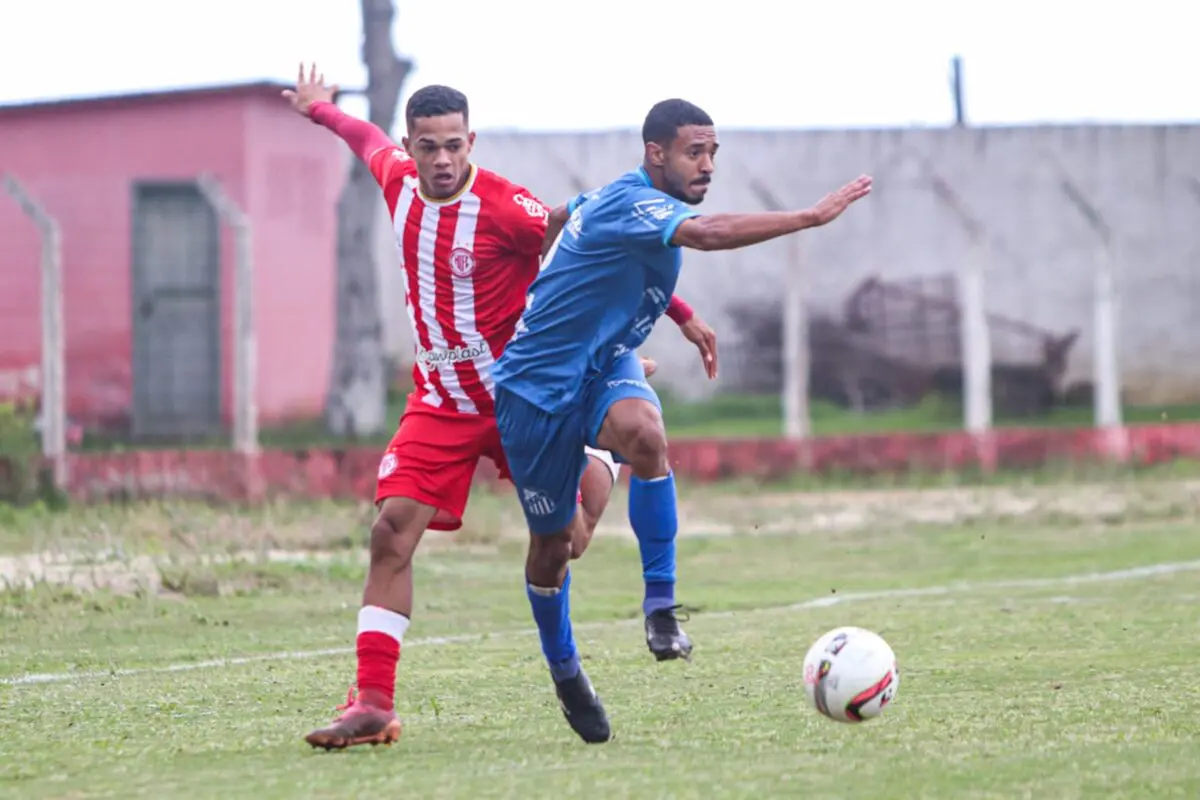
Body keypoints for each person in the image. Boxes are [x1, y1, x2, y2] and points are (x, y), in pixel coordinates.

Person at [281, 65, 718, 750]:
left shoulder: (508, 208)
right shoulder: (395, 179)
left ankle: (600, 447)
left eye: (455, 144)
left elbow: (589, 247)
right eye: (429, 146)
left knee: (565, 543)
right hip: (443, 401)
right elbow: (360, 135)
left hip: (526, 391)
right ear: (412, 146)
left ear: (471, 140)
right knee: (391, 532)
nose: (444, 159)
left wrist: (680, 310)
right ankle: (371, 702)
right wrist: (318, 110)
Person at [492, 98, 872, 743]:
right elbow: (705, 233)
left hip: (606, 365)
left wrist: (683, 312)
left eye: (713, 152)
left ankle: (661, 610)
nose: (707, 165)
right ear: (655, 153)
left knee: (647, 431)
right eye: (695, 152)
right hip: (533, 390)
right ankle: (565, 670)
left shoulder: (627, 206)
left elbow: (624, 257)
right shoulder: (627, 200)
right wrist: (809, 217)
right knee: (561, 548)